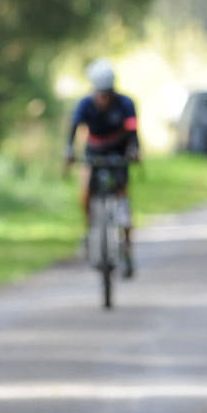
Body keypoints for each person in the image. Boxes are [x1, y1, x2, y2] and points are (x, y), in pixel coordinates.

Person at [63, 59, 141, 277]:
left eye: (107, 93)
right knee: (86, 190)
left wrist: (134, 150)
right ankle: (89, 231)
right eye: (100, 93)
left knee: (123, 200)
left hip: (119, 152)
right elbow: (73, 128)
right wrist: (69, 151)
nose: (103, 98)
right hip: (94, 152)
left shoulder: (126, 104)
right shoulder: (85, 104)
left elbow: (133, 131)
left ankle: (127, 249)